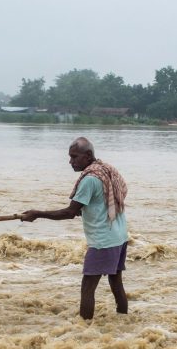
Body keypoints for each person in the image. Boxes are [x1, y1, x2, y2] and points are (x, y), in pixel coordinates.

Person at [21, 137, 129, 320]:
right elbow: (101, 201)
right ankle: (123, 321)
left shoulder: (90, 179)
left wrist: (37, 214)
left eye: (74, 157)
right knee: (116, 282)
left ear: (87, 156)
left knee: (87, 288)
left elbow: (70, 212)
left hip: (103, 241)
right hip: (120, 236)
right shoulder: (106, 169)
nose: (70, 162)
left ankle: (84, 332)